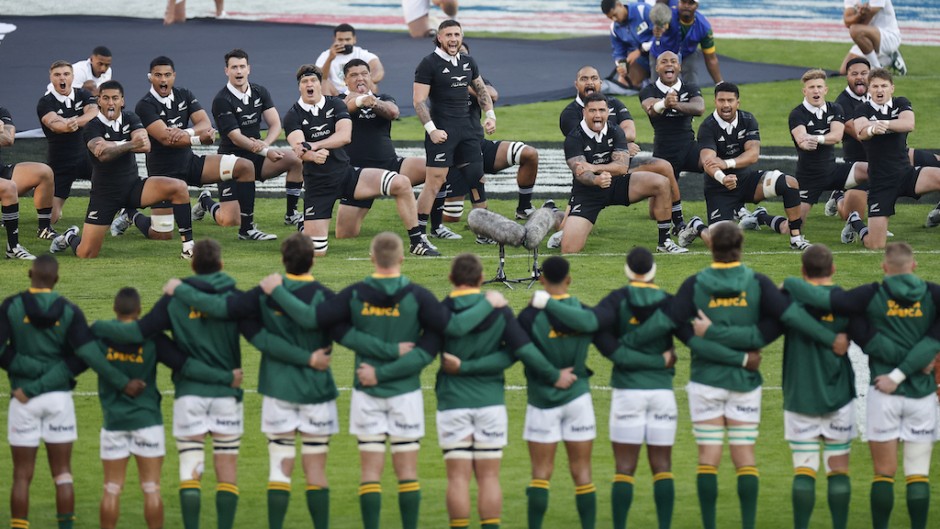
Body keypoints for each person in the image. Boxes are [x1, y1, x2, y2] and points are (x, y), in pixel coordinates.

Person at [626, 222, 849, 529]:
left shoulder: (694, 284)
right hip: (744, 383)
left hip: (706, 381)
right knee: (744, 458)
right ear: (741, 246)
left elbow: (670, 322)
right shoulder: (757, 283)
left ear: (711, 246)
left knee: (708, 459)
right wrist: (827, 339)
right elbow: (785, 320)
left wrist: (632, 342)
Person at [164, 233, 342, 529]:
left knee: (279, 469)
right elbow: (337, 331)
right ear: (313, 259)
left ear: (282, 261)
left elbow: (226, 311)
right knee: (316, 472)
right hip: (317, 392)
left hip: (277, 390)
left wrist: (182, 291)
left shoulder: (263, 294)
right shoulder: (327, 296)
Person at [91, 239, 247, 529]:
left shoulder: (174, 300)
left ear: (192, 264)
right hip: (227, 395)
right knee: (226, 473)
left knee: (190, 470)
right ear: (222, 265)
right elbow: (259, 335)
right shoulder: (233, 297)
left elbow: (140, 330)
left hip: (189, 396)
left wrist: (96, 328)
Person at [782, 242, 939, 529]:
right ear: (914, 266)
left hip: (883, 394)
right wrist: (917, 361)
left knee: (884, 473)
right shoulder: (934, 294)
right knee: (918, 473)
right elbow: (932, 340)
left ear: (884, 267)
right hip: (922, 394)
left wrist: (791, 281)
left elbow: (833, 306)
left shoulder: (870, 295)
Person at [0, 255, 146, 529]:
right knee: (63, 474)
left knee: (21, 475)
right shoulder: (69, 311)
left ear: (29, 273)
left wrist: (29, 374)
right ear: (56, 279)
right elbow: (86, 356)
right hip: (58, 399)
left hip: (22, 398)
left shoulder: (11, 306)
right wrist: (123, 382)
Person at [538, 247, 678, 529]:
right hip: (662, 393)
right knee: (662, 467)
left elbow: (599, 334)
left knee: (624, 469)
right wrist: (659, 360)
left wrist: (547, 303)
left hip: (627, 392)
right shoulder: (668, 302)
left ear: (627, 270)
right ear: (653, 270)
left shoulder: (616, 300)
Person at [433, 254, 575, 529]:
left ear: (451, 279)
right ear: (480, 278)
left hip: (453, 403)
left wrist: (463, 367)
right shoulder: (499, 310)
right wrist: (553, 375)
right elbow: (519, 352)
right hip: (490, 404)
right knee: (488, 478)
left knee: (458, 479)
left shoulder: (443, 309)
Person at [283, 64, 436, 257]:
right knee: (318, 251)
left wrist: (314, 146)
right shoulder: (292, 115)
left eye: (313, 80)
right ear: (300, 87)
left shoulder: (335, 104)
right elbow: (299, 147)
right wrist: (311, 155)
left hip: (347, 175)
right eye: (305, 81)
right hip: (318, 185)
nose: (309, 84)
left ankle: (417, 241)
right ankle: (306, 226)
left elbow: (344, 136)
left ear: (320, 84)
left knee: (401, 182)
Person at [48, 80, 196, 260]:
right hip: (105, 195)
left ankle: (188, 247)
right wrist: (130, 143)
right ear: (99, 101)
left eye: (115, 98)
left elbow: (145, 145)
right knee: (86, 253)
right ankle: (70, 236)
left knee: (179, 187)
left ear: (122, 101)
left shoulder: (131, 118)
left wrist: (116, 144)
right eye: (106, 98)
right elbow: (102, 155)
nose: (111, 103)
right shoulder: (91, 126)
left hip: (133, 187)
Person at [112, 56, 254, 239]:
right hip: (164, 175)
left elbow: (205, 123)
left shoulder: (184, 94)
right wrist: (197, 138)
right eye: (158, 75)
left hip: (190, 163)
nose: (163, 80)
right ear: (150, 77)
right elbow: (165, 138)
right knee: (162, 234)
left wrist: (186, 132)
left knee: (244, 167)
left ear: (174, 76)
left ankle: (245, 229)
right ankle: (130, 213)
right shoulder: (144, 106)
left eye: (167, 75)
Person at [775, 245, 856, 529]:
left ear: (802, 271)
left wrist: (792, 285)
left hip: (800, 397)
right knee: (838, 470)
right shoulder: (845, 302)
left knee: (804, 469)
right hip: (839, 397)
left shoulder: (790, 301)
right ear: (833, 269)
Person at [677, 82, 811, 251]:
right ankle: (697, 226)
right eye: (721, 100)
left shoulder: (748, 120)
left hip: (747, 182)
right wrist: (723, 177)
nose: (726, 105)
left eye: (730, 100)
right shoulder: (707, 127)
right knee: (722, 246)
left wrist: (726, 163)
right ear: (715, 102)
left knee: (790, 183)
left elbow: (753, 154)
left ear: (737, 102)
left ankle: (796, 239)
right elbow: (708, 162)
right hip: (719, 190)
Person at [557, 65, 684, 243]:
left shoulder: (614, 103)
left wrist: (621, 144)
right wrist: (622, 146)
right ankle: (554, 215)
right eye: (584, 79)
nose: (589, 83)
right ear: (576, 84)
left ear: (601, 83)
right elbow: (590, 145)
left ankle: (679, 222)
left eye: (594, 78)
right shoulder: (569, 114)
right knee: (565, 233)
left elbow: (630, 132)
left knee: (663, 167)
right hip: (589, 174)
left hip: (619, 166)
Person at [520, 256, 596, 529]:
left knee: (540, 474)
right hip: (578, 398)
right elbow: (592, 323)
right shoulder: (582, 311)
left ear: (541, 280)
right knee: (583, 473)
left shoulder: (529, 315)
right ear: (569, 279)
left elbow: (521, 351)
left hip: (542, 400)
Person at [413, 20, 495, 248]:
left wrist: (490, 115)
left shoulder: (468, 61)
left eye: (457, 34)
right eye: (448, 35)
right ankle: (418, 235)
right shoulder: (428, 63)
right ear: (439, 37)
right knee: (434, 182)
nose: (453, 39)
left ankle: (483, 231)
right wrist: (432, 130)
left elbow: (481, 89)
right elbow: (418, 101)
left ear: (461, 36)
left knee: (477, 179)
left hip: (468, 132)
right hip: (442, 133)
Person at [210, 48, 303, 241]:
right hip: (231, 162)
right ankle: (206, 202)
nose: (238, 71)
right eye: (234, 67)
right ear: (226, 71)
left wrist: (266, 143)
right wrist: (265, 151)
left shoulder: (260, 91)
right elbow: (235, 137)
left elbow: (276, 123)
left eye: (242, 67)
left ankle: (291, 213)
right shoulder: (221, 100)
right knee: (229, 220)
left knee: (295, 159)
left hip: (257, 156)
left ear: (249, 69)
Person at [843, 69, 940, 250]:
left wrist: (883, 124)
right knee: (875, 245)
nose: (880, 90)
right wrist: (872, 130)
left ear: (892, 88)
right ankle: (856, 222)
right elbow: (861, 131)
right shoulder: (862, 109)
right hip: (881, 182)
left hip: (906, 174)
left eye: (884, 86)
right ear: (869, 90)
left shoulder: (900, 103)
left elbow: (908, 123)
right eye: (875, 86)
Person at [335, 58, 428, 240]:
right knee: (345, 234)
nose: (359, 78)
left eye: (364, 74)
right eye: (353, 75)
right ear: (345, 80)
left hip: (390, 164)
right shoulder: (337, 101)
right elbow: (347, 107)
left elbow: (393, 112)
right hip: (358, 175)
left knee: (435, 170)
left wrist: (373, 102)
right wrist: (361, 100)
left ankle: (432, 225)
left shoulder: (383, 98)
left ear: (371, 77)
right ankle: (305, 220)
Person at [788, 69, 868, 224]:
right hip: (809, 177)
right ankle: (761, 216)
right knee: (792, 226)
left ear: (825, 90)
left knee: (873, 170)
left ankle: (875, 219)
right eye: (811, 87)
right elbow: (801, 139)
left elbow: (837, 136)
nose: (816, 91)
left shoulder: (835, 108)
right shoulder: (797, 114)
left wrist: (816, 138)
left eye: (819, 87)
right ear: (804, 91)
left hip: (833, 171)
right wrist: (805, 142)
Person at [37, 60, 98, 224]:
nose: (61, 78)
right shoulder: (45, 102)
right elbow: (53, 123)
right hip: (60, 162)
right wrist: (65, 125)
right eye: (57, 75)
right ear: (51, 78)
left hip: (87, 157)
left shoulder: (83, 94)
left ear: (72, 77)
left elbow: (93, 112)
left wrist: (75, 122)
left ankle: (128, 213)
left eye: (66, 74)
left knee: (112, 184)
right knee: (51, 218)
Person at [639, 51, 705, 181]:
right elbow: (651, 110)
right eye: (664, 62)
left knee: (714, 164)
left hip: (689, 146)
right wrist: (665, 102)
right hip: (664, 150)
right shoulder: (648, 90)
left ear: (679, 67)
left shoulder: (690, 87)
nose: (669, 64)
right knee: (662, 191)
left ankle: (725, 200)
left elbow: (699, 108)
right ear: (657, 68)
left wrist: (674, 104)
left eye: (673, 61)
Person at [1, 105, 57, 242]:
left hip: (1, 172)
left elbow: (8, 139)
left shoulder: (2, 112)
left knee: (44, 172)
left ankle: (44, 228)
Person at [650, 0, 723, 87]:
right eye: (683, 2)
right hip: (661, 53)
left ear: (697, 6)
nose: (686, 6)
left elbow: (711, 59)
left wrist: (720, 84)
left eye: (690, 3)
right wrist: (659, 29)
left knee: (692, 87)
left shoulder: (704, 28)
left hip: (687, 54)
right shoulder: (669, 14)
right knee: (657, 89)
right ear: (678, 3)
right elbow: (662, 24)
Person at [315, 24, 385, 97]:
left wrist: (367, 81)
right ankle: (330, 107)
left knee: (372, 85)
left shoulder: (362, 54)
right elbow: (319, 77)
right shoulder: (325, 55)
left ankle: (368, 106)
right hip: (335, 93)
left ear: (354, 39)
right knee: (324, 83)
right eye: (340, 40)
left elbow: (379, 70)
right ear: (334, 39)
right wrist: (330, 59)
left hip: (358, 90)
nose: (344, 43)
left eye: (347, 39)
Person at [841, 0, 906, 75]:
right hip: (866, 38)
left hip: (888, 37)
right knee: (845, 70)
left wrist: (858, 15)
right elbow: (847, 22)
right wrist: (859, 14)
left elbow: (865, 22)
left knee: (854, 30)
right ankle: (889, 58)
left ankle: (877, 69)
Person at [601, 0, 654, 89]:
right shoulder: (614, 28)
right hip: (642, 61)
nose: (614, 19)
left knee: (662, 84)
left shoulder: (643, 10)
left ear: (619, 5)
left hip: (659, 53)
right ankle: (645, 83)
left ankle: (651, 82)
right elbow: (618, 52)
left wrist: (641, 50)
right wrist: (622, 66)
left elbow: (662, 34)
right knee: (623, 82)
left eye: (615, 15)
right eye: (610, 18)